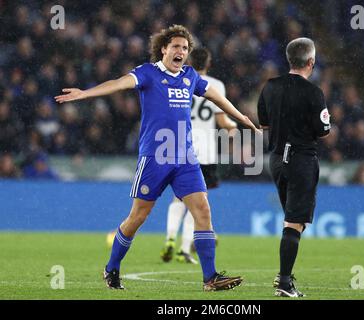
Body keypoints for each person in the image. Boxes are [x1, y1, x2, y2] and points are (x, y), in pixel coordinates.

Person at [55, 25, 260, 291]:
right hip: (155, 158)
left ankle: (210, 278)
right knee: (137, 217)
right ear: (163, 49)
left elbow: (215, 97)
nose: (181, 52)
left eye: (185, 48)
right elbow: (118, 84)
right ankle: (112, 268)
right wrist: (85, 93)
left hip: (186, 158)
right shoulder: (148, 73)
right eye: (176, 46)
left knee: (203, 210)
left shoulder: (189, 76)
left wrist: (241, 117)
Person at [257, 37, 330, 297]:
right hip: (301, 159)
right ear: (311, 62)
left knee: (293, 221)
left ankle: (285, 279)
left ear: (289, 60)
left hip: (276, 159)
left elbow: (263, 123)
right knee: (294, 222)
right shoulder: (313, 92)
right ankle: (284, 283)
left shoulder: (270, 87)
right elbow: (323, 130)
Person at [160, 47, 237, 265]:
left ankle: (169, 239)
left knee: (178, 198)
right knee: (198, 202)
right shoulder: (216, 85)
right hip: (205, 152)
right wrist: (233, 127)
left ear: (189, 61)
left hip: (179, 147)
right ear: (209, 63)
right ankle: (184, 249)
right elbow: (223, 121)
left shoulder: (179, 80)